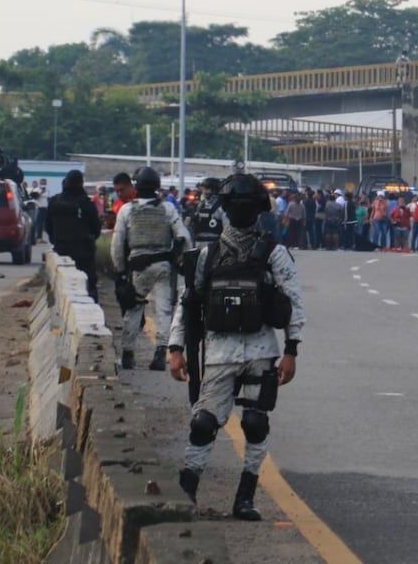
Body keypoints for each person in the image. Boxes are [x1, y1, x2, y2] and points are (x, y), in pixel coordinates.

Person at [167, 173, 305, 522]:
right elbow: (188, 304)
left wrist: (291, 349)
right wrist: (175, 346)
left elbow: (293, 303)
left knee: (256, 423)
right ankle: (187, 492)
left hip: (260, 351)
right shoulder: (206, 255)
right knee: (203, 423)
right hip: (219, 352)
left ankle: (245, 498)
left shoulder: (274, 254)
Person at [111, 167, 193, 371]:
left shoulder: (127, 210)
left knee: (133, 309)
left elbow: (117, 243)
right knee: (164, 311)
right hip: (163, 266)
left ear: (136, 186)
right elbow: (184, 237)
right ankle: (159, 354)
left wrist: (120, 269)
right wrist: (182, 262)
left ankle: (128, 354)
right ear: (157, 187)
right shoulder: (167, 209)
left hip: (138, 267)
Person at [46, 170, 102, 301]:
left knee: (56, 286)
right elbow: (96, 228)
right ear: (81, 183)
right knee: (89, 287)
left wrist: (56, 240)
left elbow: (48, 226)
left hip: (61, 251)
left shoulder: (55, 201)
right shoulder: (85, 203)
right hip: (84, 254)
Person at [188, 178, 226, 246]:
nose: (204, 192)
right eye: (203, 189)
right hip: (199, 244)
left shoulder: (221, 207)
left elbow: (227, 229)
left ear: (214, 190)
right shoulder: (200, 205)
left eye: (207, 189)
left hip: (214, 246)